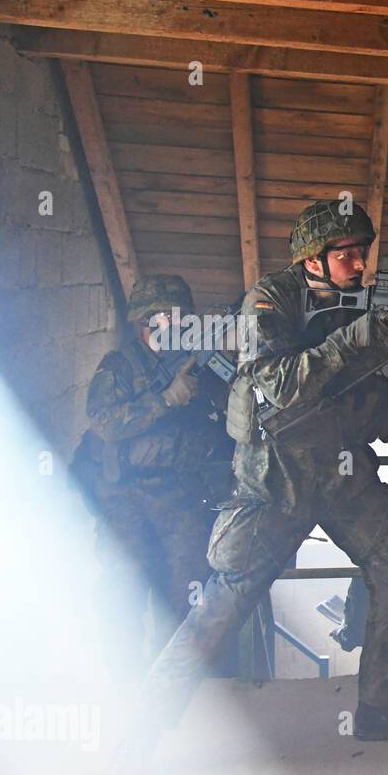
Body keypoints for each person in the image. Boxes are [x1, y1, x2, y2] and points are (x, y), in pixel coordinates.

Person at [107, 199, 388, 775]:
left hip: (343, 469)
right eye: (344, 255)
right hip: (275, 476)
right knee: (223, 603)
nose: (358, 264)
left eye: (362, 253)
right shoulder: (268, 302)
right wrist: (363, 334)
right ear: (310, 261)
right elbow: (280, 384)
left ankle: (380, 708)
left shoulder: (371, 302)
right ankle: (134, 742)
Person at [74, 275, 233, 685]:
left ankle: (181, 691)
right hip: (123, 499)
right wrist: (164, 399)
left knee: (188, 596)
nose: (176, 323)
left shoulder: (193, 361)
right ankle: (122, 689)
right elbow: (105, 423)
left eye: (181, 316)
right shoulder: (119, 367)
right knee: (123, 593)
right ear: (145, 321)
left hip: (179, 498)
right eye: (166, 316)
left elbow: (227, 412)